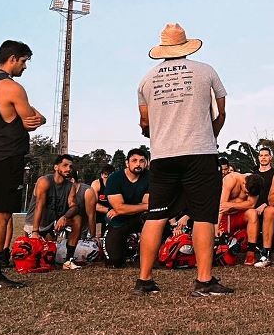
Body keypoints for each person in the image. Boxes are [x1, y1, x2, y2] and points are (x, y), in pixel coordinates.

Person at [135, 23, 231, 297]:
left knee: (156, 215)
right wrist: (211, 135)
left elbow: (145, 122)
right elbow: (221, 112)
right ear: (186, 45)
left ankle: (144, 280)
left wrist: (156, 132)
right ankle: (203, 280)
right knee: (203, 216)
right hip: (200, 151)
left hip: (163, 155)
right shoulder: (206, 71)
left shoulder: (146, 79)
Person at [0, 39, 45, 289]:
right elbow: (32, 118)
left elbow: (30, 116)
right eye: (25, 61)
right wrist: (34, 115)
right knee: (1, 214)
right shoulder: (11, 87)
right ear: (14, 58)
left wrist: (31, 115)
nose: (25, 67)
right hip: (6, 156)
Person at [23, 154, 83, 270]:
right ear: (56, 167)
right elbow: (39, 206)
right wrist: (35, 231)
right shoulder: (44, 181)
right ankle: (36, 236)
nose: (68, 169)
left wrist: (65, 217)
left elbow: (74, 206)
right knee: (34, 259)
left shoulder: (71, 186)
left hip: (51, 224)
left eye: (70, 166)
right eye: (65, 165)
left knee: (77, 218)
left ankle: (68, 260)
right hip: (35, 223)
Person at [103, 149, 150, 268]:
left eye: (142, 161)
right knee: (115, 261)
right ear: (127, 163)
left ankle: (143, 252)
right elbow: (120, 208)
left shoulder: (150, 177)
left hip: (141, 218)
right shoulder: (114, 178)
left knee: (154, 218)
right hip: (119, 219)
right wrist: (143, 206)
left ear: (146, 163)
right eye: (134, 160)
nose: (138, 164)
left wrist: (123, 208)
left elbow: (148, 204)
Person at [83, 164, 114, 240]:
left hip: (111, 211)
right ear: (101, 175)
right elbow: (93, 205)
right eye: (105, 175)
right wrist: (109, 210)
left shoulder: (117, 184)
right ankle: (90, 236)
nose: (107, 178)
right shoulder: (96, 184)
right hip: (98, 211)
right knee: (90, 213)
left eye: (110, 176)